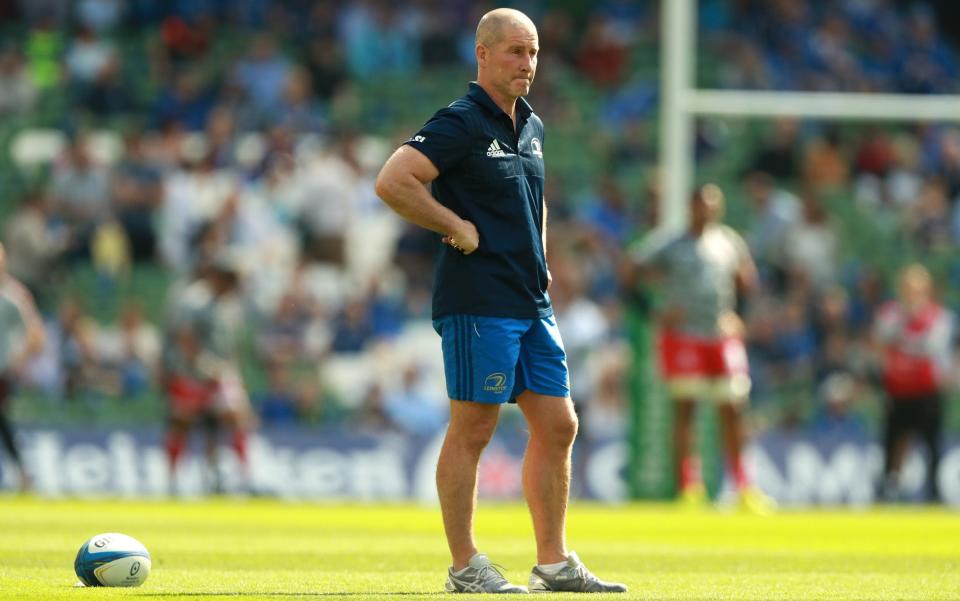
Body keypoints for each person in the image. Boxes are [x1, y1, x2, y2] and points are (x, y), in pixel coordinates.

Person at [375, 8, 626, 595]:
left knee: (559, 423)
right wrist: (452, 222)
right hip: (478, 298)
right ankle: (465, 567)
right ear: (482, 54)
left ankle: (554, 564)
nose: (527, 63)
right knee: (473, 427)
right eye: (515, 51)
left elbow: (532, 204)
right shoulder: (460, 121)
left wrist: (539, 258)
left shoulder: (531, 125)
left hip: (529, 299)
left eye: (533, 52)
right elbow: (394, 180)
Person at [628, 185, 774, 514]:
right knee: (687, 410)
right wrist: (653, 310)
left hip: (721, 335)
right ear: (690, 207)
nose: (706, 211)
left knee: (734, 407)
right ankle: (689, 487)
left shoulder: (729, 242)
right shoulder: (670, 242)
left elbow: (746, 281)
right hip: (684, 335)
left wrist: (739, 315)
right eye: (701, 205)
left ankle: (744, 487)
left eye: (712, 205)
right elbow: (631, 268)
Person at [162, 254, 255, 494]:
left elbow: (231, 346)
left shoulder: (231, 305)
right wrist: (204, 365)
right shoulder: (194, 300)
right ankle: (171, 482)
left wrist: (233, 374)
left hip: (221, 375)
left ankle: (240, 479)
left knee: (234, 418)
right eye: (229, 279)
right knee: (182, 424)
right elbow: (184, 338)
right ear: (216, 277)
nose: (232, 285)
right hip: (191, 374)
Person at [873, 264, 953, 503]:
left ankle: (934, 491)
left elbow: (933, 349)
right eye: (907, 287)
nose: (911, 292)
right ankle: (888, 487)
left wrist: (902, 342)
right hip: (897, 390)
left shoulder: (938, 316)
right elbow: (879, 343)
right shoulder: (890, 314)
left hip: (926, 390)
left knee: (931, 444)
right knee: (892, 440)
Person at [0, 242, 45, 491]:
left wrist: (17, 358)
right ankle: (22, 472)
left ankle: (22, 472)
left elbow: (36, 335)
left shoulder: (14, 297)